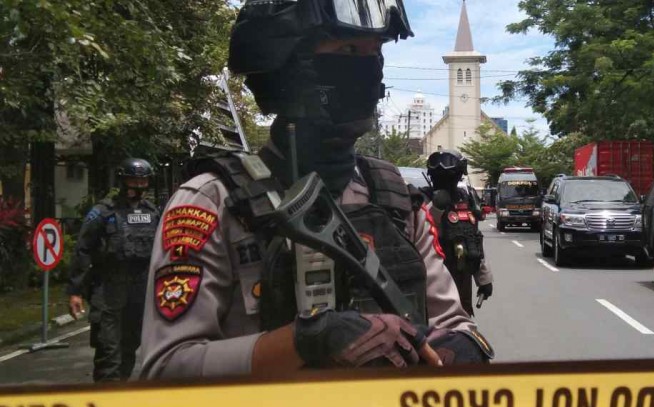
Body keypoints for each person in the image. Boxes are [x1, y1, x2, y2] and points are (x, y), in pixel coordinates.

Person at [139, 0, 493, 378]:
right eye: (348, 50)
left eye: (375, 52)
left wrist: (458, 348)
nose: (370, 69)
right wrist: (304, 342)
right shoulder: (215, 202)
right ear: (287, 66)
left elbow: (455, 323)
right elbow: (164, 368)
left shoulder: (393, 197)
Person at [68, 158, 160, 382]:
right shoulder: (103, 212)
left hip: (140, 288)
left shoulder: (152, 213)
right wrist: (75, 291)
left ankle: (119, 393)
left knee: (130, 346)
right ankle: (106, 401)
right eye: (133, 179)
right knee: (109, 351)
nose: (138, 185)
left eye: (143, 180)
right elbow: (83, 249)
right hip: (108, 289)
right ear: (122, 180)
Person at [426, 149, 493, 315]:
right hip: (433, 279)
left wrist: (484, 279)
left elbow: (474, 240)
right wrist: (436, 208)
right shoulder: (422, 199)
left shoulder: (466, 198)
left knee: (462, 324)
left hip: (462, 278)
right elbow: (422, 233)